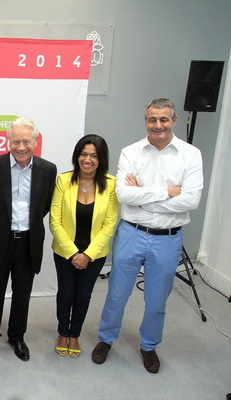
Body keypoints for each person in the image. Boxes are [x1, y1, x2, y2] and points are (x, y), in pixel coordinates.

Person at [91, 98, 203, 373]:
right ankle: (106, 339)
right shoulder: (131, 152)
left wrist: (144, 193)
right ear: (145, 121)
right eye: (152, 119)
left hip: (168, 238)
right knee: (116, 293)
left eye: (164, 119)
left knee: (156, 299)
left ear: (174, 121)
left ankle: (149, 345)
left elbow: (191, 201)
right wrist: (168, 191)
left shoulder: (191, 154)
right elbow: (124, 194)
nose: (158, 125)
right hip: (131, 233)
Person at [0, 117, 57, 362]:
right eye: (16, 141)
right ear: (8, 141)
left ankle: (17, 336)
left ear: (35, 141)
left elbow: (43, 206)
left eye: (26, 141)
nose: (21, 147)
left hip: (28, 243)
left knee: (22, 294)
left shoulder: (47, 169)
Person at [49, 134, 118, 358]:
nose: (87, 160)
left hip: (94, 255)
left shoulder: (111, 184)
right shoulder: (64, 180)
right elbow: (55, 221)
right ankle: (62, 333)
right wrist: (72, 253)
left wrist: (87, 255)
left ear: (101, 159)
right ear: (77, 156)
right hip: (65, 252)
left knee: (83, 296)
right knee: (66, 294)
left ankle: (75, 335)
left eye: (94, 155)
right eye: (83, 154)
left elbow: (109, 225)